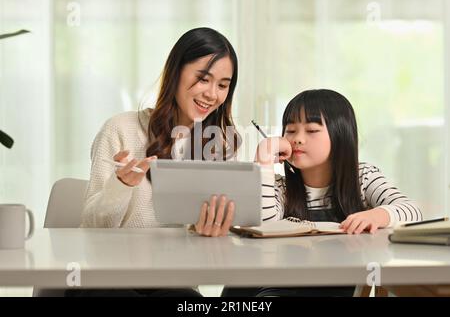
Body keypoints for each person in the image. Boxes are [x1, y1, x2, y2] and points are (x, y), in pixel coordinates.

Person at [67, 27, 241, 297]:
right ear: (176, 72)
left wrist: (210, 234)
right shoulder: (121, 129)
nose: (212, 94)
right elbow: (93, 228)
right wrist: (121, 185)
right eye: (203, 79)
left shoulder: (219, 146)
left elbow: (217, 254)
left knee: (183, 298)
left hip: (172, 282)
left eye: (222, 85)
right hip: (106, 278)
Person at [222, 88, 422, 297]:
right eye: (290, 130)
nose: (298, 138)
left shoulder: (362, 177)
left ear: (340, 135)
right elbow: (264, 225)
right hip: (279, 289)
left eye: (311, 130)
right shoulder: (280, 187)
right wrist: (263, 161)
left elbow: (412, 211)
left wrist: (377, 214)